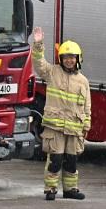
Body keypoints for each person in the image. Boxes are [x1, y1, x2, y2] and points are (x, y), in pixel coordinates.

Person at [31, 27, 90, 200]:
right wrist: (38, 44)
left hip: (74, 129)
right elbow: (38, 63)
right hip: (55, 127)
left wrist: (86, 125)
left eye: (72, 57)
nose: (69, 61)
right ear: (61, 59)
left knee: (71, 161)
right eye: (66, 57)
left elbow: (87, 107)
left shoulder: (83, 81)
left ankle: (71, 190)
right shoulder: (52, 72)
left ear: (78, 59)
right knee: (55, 160)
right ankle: (50, 189)